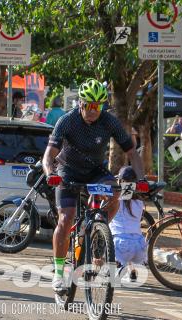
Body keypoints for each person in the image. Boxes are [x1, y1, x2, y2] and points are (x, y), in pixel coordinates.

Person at [42, 78, 147, 294]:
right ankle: (59, 273)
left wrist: (141, 179)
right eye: (89, 105)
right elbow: (49, 155)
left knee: (115, 192)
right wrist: (50, 173)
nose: (93, 111)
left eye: (97, 106)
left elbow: (132, 153)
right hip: (67, 171)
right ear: (80, 103)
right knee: (65, 218)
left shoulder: (109, 121)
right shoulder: (67, 121)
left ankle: (96, 229)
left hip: (96, 172)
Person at [110, 166, 147, 282]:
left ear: (120, 181)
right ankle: (132, 272)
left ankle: (120, 267)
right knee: (130, 250)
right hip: (140, 245)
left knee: (105, 235)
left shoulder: (114, 200)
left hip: (121, 244)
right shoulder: (140, 202)